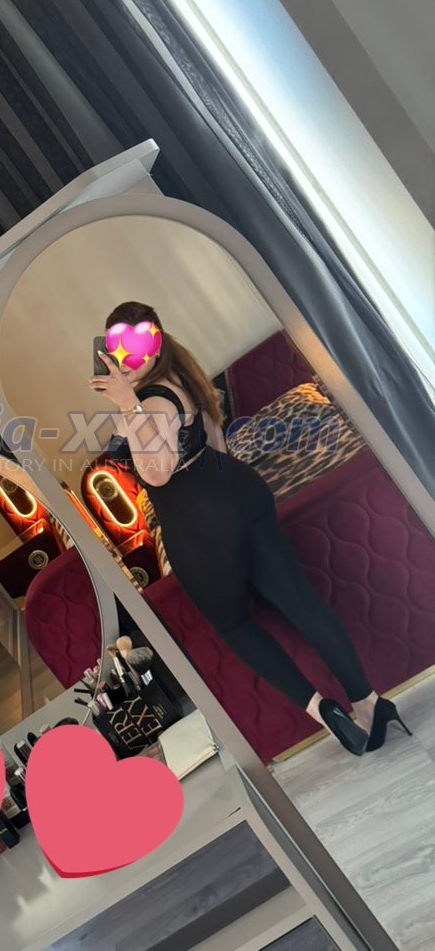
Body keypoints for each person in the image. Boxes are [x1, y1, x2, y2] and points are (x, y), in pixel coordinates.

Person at [89, 300, 412, 755]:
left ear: (153, 344)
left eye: (132, 345)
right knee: (302, 603)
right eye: (116, 346)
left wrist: (128, 407)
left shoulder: (149, 401)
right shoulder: (180, 377)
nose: (124, 357)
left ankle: (323, 709)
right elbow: (217, 442)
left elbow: (158, 473)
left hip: (198, 524)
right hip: (239, 492)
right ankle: (369, 703)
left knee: (235, 625)